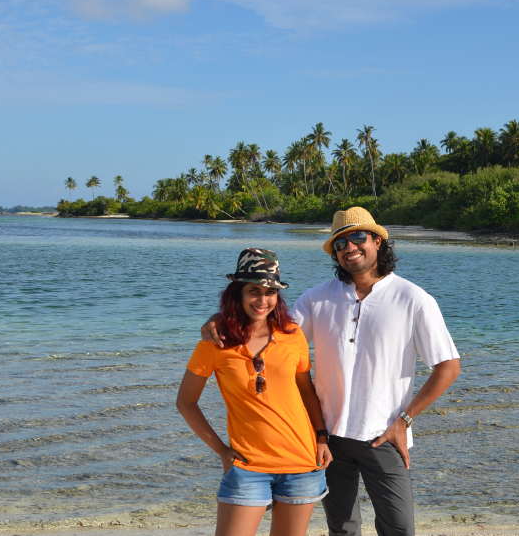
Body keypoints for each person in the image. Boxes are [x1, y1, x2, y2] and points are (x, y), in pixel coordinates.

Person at [203, 207, 461, 536]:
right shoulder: (317, 299)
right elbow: (270, 332)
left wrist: (405, 420)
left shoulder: (413, 299)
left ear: (378, 241)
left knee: (399, 528)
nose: (349, 247)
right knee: (342, 529)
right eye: (340, 243)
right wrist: (220, 319)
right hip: (328, 438)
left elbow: (448, 366)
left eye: (357, 237)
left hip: (383, 435)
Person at [177, 248, 333, 536]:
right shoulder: (215, 343)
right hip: (247, 466)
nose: (262, 300)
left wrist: (322, 438)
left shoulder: (292, 335)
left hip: (302, 462)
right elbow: (186, 403)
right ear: (237, 293)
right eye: (253, 291)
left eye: (270, 292)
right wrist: (222, 451)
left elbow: (306, 390)